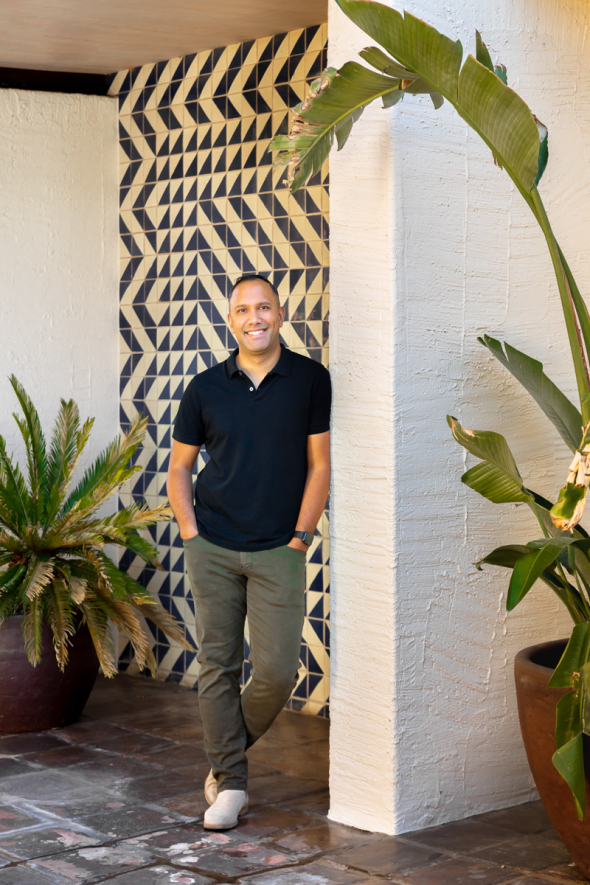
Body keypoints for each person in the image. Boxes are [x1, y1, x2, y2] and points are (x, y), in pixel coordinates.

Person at [166, 273, 331, 830]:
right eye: (242, 309)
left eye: (264, 307)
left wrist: (301, 536)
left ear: (281, 315)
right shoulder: (206, 388)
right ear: (230, 319)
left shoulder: (310, 380)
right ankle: (230, 783)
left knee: (278, 671)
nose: (254, 317)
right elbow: (181, 468)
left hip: (279, 547)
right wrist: (189, 532)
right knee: (217, 664)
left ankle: (223, 757)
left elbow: (319, 465)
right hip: (211, 542)